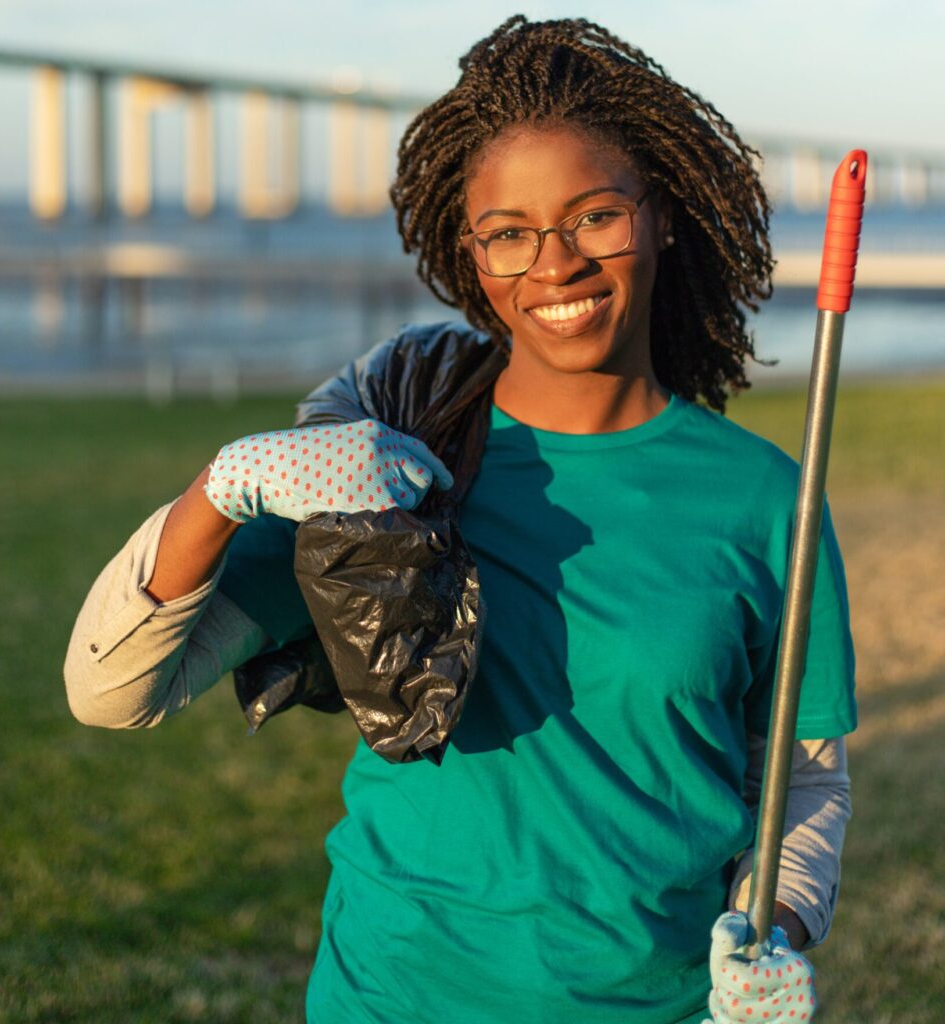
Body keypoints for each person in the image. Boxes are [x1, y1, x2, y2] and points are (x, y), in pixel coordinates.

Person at [64, 15, 856, 1024]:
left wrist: (776, 925)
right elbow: (109, 692)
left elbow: (804, 779)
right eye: (508, 232)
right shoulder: (389, 461)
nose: (554, 262)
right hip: (394, 995)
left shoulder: (764, 499)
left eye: (595, 215)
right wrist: (222, 486)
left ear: (660, 216)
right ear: (467, 249)